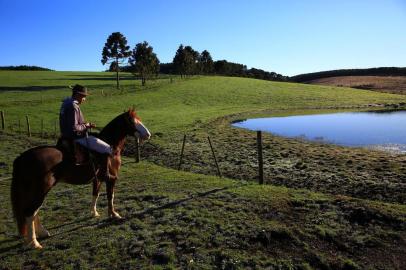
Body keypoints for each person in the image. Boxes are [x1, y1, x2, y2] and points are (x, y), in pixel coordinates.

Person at [59, 84, 114, 181]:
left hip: (65, 136)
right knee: (107, 148)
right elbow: (75, 127)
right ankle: (105, 175)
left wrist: (85, 124)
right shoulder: (73, 106)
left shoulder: (65, 103)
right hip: (77, 137)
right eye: (84, 96)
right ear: (78, 95)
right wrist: (87, 125)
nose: (84, 99)